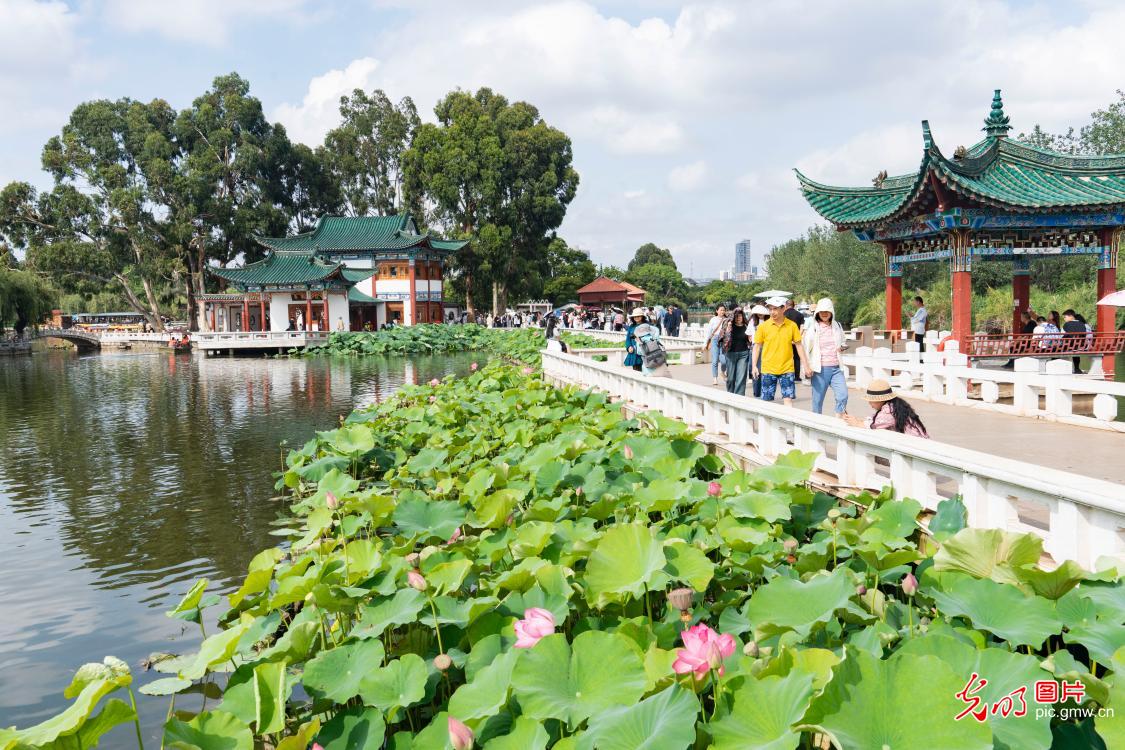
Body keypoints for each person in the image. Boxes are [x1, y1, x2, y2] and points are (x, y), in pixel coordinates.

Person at [754, 297, 811, 406]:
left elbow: (799, 346)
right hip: (768, 369)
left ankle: (789, 422)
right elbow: (757, 347)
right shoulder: (763, 327)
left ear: (783, 308)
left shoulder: (792, 325)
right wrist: (754, 366)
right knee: (767, 402)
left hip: (787, 369)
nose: (772, 312)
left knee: (788, 399)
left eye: (775, 309)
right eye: (770, 309)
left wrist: (806, 366)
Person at [804, 298, 849, 417]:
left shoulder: (837, 325)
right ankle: (816, 425)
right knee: (817, 401)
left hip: (836, 368)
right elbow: (806, 349)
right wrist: (807, 367)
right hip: (820, 369)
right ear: (818, 312)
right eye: (822, 311)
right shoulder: (813, 328)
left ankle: (838, 419)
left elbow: (844, 342)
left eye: (827, 311)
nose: (824, 314)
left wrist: (842, 347)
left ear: (831, 312)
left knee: (843, 395)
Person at [845, 379, 929, 437]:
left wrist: (856, 423)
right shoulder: (895, 405)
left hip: (914, 444)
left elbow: (874, 425)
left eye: (871, 400)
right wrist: (857, 420)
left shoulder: (889, 411)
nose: (869, 403)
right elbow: (875, 419)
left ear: (880, 400)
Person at [720, 307, 752, 395]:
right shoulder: (729, 325)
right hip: (730, 354)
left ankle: (739, 398)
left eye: (740, 316)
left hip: (743, 354)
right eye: (737, 316)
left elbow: (750, 339)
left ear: (743, 317)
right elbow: (721, 337)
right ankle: (730, 394)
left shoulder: (746, 326)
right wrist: (727, 331)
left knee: (741, 378)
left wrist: (750, 339)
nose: (739, 318)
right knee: (730, 378)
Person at [703, 305, 727, 385]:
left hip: (723, 341)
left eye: (723, 310)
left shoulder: (726, 320)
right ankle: (715, 378)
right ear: (717, 311)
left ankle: (723, 372)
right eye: (721, 310)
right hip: (714, 340)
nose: (722, 312)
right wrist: (705, 343)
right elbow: (708, 332)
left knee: (724, 361)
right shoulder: (713, 320)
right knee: (715, 360)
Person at [783, 299, 806, 382]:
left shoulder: (783, 315)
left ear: (786, 305)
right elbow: (802, 328)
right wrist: (797, 337)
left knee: (786, 357)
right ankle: (797, 376)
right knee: (797, 358)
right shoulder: (800, 315)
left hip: (785, 339)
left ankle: (786, 375)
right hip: (796, 340)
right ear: (794, 305)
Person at [1062, 309, 1086, 374]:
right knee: (1075, 350)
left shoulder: (1066, 325)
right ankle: (1077, 368)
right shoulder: (1082, 324)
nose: (1064, 319)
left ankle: (1060, 367)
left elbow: (1061, 336)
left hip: (1068, 346)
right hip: (1080, 346)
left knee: (1056, 347)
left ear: (1071, 316)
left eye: (1065, 317)